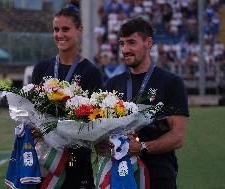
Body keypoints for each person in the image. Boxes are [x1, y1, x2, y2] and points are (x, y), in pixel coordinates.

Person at [96, 17, 189, 189]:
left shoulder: (171, 82)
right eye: (122, 43)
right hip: (119, 174)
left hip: (159, 175)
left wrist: (142, 147)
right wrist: (100, 143)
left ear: (148, 42)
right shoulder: (112, 84)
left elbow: (178, 137)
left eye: (132, 42)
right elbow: (103, 128)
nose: (125, 49)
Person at [31, 0, 102, 188]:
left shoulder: (91, 72)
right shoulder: (41, 68)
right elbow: (29, 111)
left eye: (65, 29)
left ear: (79, 30)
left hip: (76, 163)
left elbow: (94, 124)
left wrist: (53, 127)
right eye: (56, 30)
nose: (59, 35)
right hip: (44, 164)